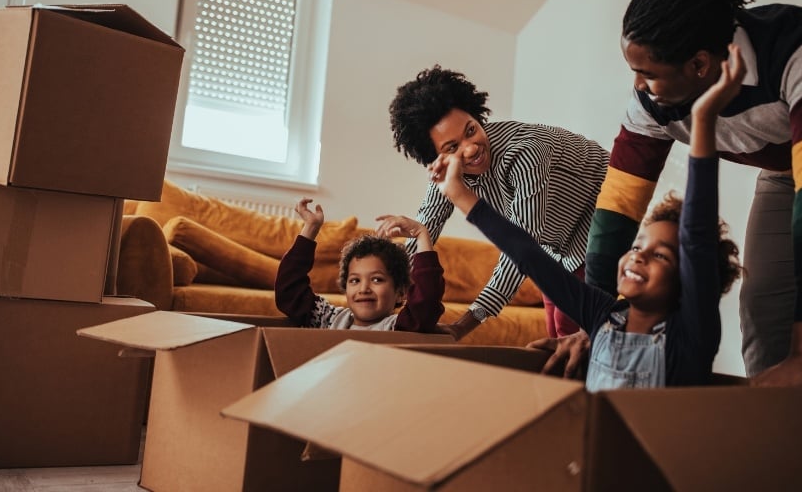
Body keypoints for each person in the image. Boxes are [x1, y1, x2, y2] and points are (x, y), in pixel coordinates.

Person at [577, 0, 802, 442]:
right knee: (762, 303)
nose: (638, 85)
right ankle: (775, 447)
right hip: (785, 164)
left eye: (648, 73)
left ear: (699, 65)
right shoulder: (652, 104)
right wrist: (596, 330)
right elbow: (616, 212)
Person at [430, 45, 744, 388]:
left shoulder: (692, 333)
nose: (637, 256)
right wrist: (460, 195)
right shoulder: (600, 315)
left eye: (660, 255)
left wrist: (703, 121)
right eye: (638, 246)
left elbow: (697, 234)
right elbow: (527, 253)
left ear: (688, 278)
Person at [386, 65, 610, 342]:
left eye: (471, 130)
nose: (470, 148)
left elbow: (520, 250)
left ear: (477, 116)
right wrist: (387, 282)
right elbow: (426, 223)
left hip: (601, 219)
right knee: (554, 330)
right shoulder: (448, 172)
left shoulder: (525, 153)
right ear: (436, 157)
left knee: (571, 329)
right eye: (452, 147)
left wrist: (464, 324)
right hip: (554, 243)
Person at [275, 198, 445, 331]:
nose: (364, 289)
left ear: (401, 292)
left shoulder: (398, 327)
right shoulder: (329, 319)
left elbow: (426, 302)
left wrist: (422, 234)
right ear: (345, 287)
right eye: (355, 281)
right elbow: (289, 292)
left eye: (377, 280)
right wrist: (310, 228)